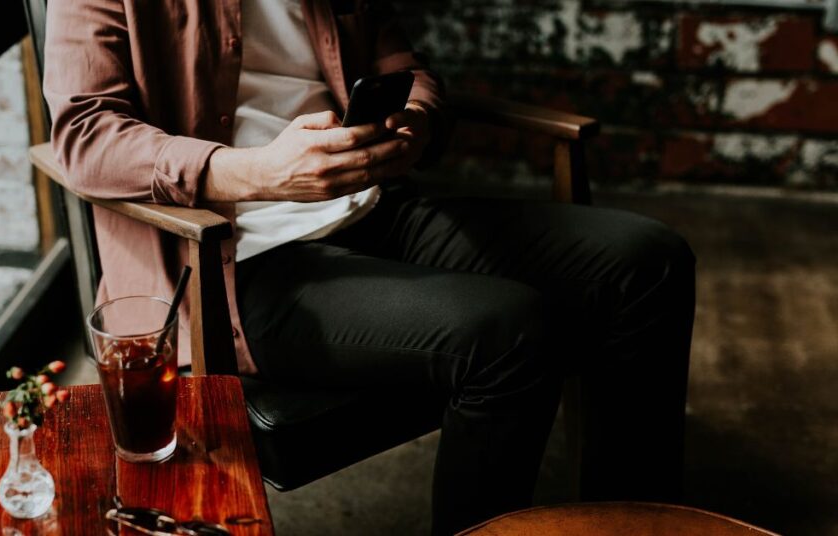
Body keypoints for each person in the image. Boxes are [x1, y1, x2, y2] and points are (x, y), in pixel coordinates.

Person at [43, 0, 696, 533]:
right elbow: (84, 134)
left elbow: (404, 64)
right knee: (507, 332)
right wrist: (259, 173)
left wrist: (413, 122)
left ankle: (635, 520)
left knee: (648, 261)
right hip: (240, 258)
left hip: (375, 208)